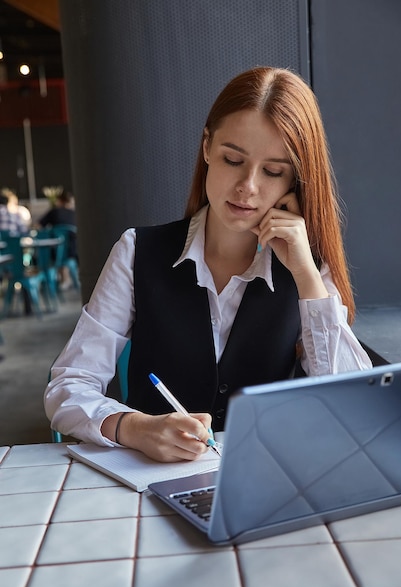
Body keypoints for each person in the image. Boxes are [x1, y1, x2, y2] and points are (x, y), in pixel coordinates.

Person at [44, 67, 372, 462]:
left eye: (272, 171)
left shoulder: (309, 270)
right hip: (149, 488)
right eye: (232, 159)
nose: (247, 187)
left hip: (265, 482)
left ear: (295, 182)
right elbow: (68, 385)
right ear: (206, 148)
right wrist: (133, 427)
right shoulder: (137, 251)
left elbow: (354, 408)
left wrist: (306, 277)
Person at [38, 189, 78, 288]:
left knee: (56, 249)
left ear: (59, 201)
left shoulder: (54, 211)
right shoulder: (75, 213)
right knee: (63, 250)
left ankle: (61, 279)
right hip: (75, 251)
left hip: (56, 252)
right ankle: (65, 278)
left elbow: (38, 226)